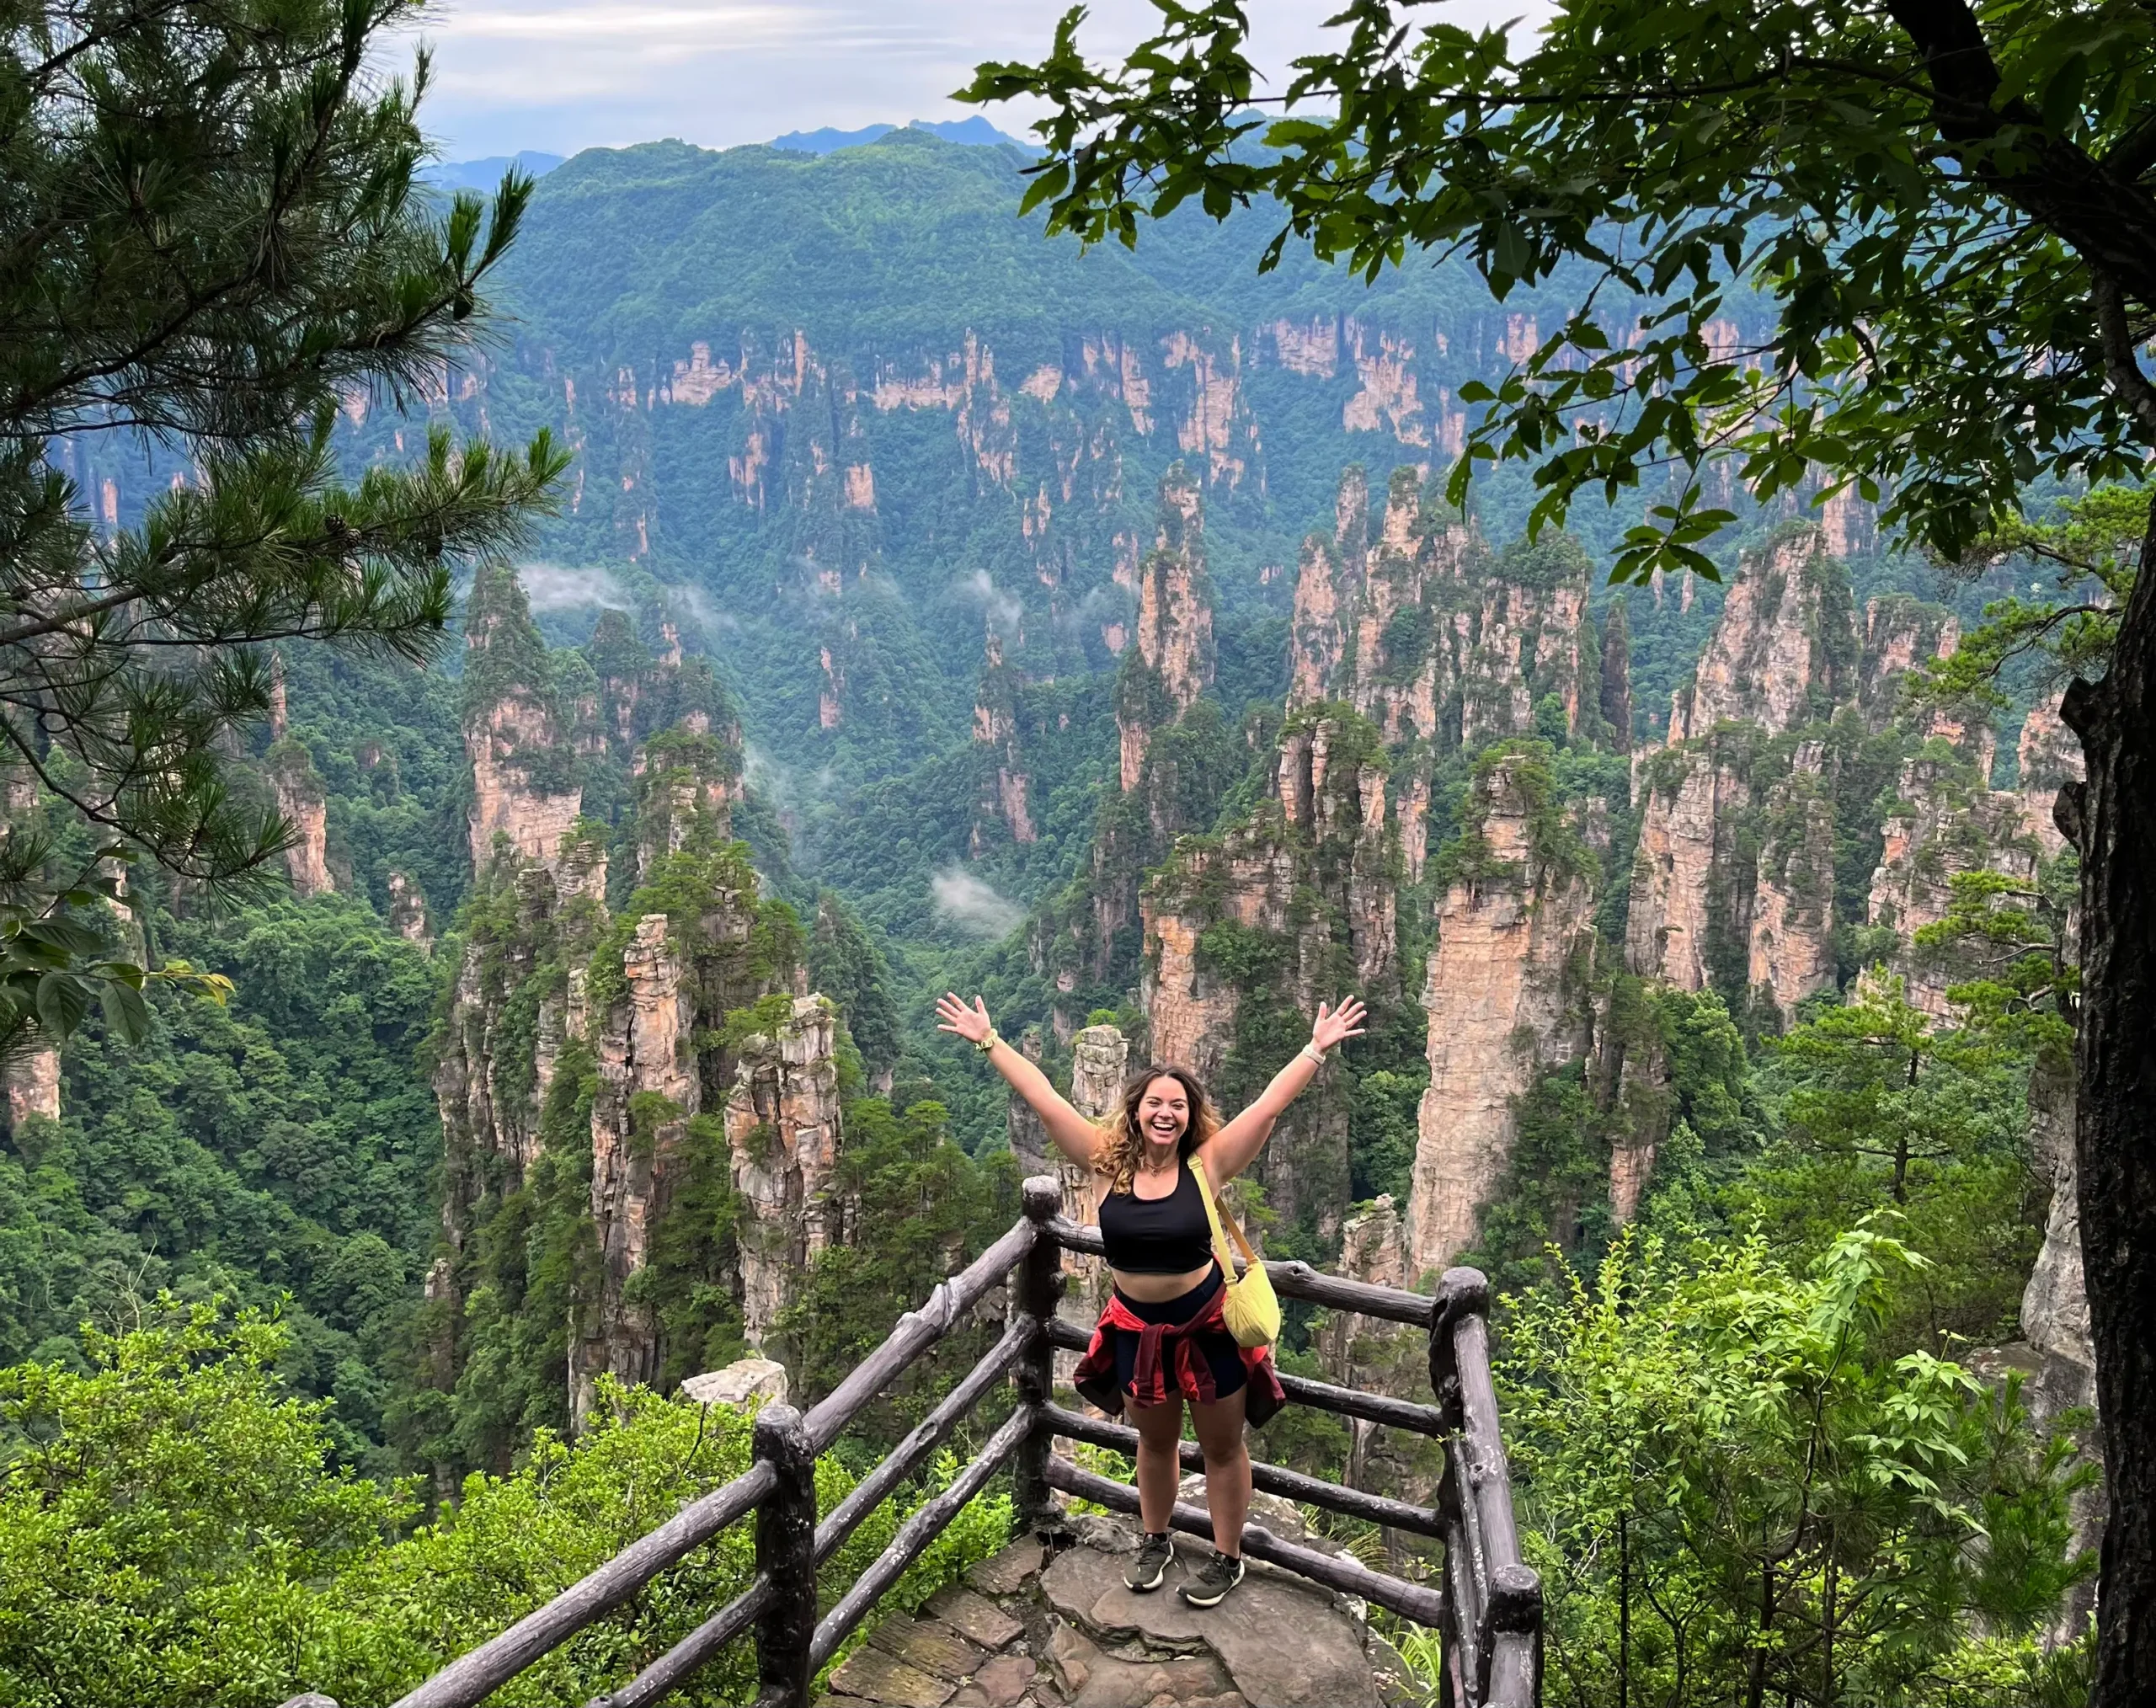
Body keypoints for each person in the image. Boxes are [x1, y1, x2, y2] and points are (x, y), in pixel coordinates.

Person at [936, 991, 1367, 1608]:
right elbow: (1045, 1098)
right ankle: (1155, 1538)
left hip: (1208, 1327)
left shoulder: (1207, 1164)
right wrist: (989, 1041)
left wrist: (1315, 1050)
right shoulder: (1106, 1164)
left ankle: (1226, 1556)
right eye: (1155, 1104)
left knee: (1221, 1446)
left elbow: (1269, 1106)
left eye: (1178, 1106)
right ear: (1136, 1112)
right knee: (1155, 1442)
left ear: (1191, 1116)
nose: (1166, 1114)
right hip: (1138, 1331)